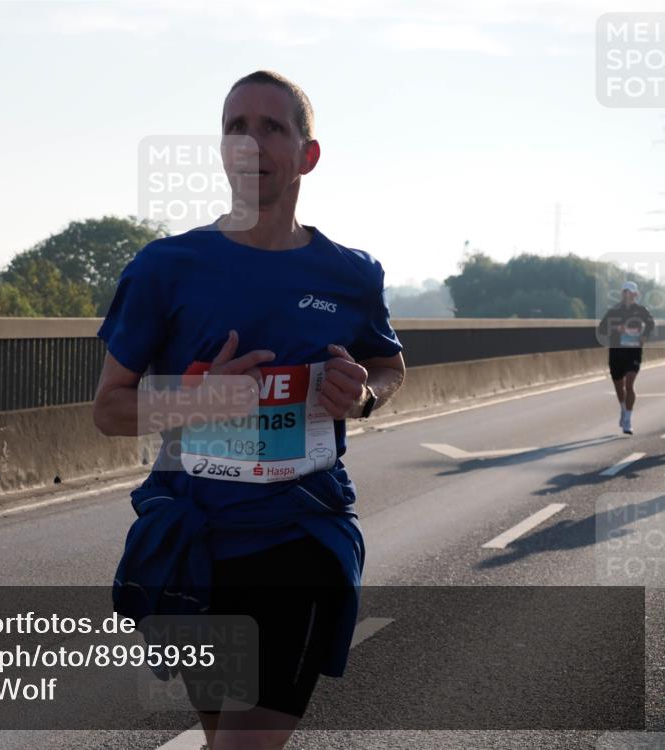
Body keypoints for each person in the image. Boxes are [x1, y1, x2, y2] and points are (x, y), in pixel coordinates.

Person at [93, 70, 406, 750]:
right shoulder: (165, 268)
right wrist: (197, 397)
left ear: (307, 155)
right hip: (195, 549)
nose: (250, 142)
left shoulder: (351, 274)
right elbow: (110, 409)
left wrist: (364, 394)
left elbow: (388, 365)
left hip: (302, 538)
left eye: (271, 127)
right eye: (236, 127)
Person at [597, 280, 655, 434]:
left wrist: (645, 336)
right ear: (622, 294)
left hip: (633, 352)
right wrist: (616, 328)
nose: (628, 295)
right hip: (617, 352)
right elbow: (601, 329)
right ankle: (623, 409)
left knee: (629, 385)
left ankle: (628, 420)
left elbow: (651, 324)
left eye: (631, 292)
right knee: (619, 386)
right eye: (625, 292)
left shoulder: (641, 310)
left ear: (635, 294)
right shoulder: (614, 311)